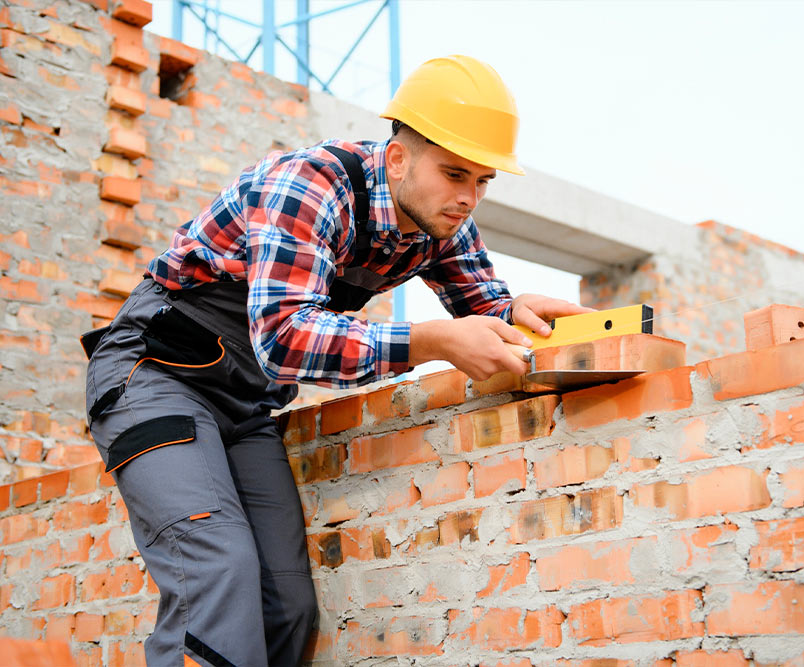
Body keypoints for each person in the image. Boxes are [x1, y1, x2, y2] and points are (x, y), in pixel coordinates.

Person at [82, 54, 589, 665]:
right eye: (456, 174)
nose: (468, 198)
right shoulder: (310, 185)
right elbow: (284, 337)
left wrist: (516, 315)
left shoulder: (444, 223)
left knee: (286, 605)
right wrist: (429, 342)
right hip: (154, 377)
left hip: (246, 407)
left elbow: (483, 307)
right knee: (216, 569)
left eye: (483, 181)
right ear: (399, 158)